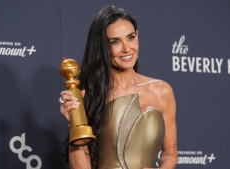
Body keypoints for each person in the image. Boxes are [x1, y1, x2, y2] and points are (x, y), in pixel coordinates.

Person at [59, 5, 178, 169]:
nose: (127, 48)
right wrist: (74, 124)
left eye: (130, 37)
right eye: (115, 41)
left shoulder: (162, 91)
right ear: (102, 47)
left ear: (137, 36)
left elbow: (170, 153)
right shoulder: (89, 97)